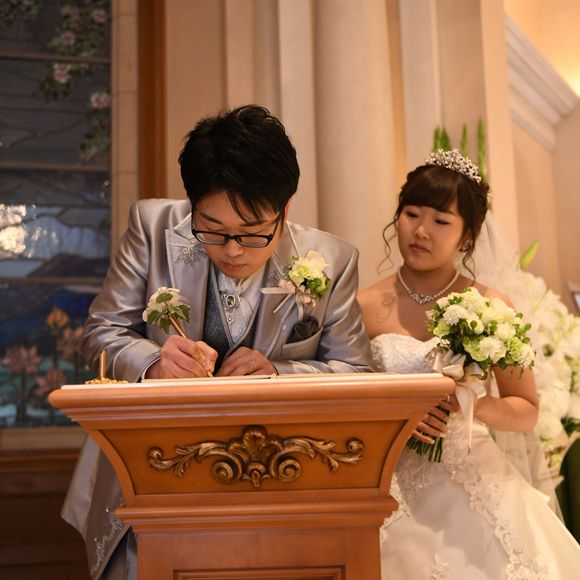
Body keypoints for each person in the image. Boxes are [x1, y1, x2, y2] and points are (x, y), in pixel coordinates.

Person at [63, 105, 373, 579]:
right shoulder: (151, 227)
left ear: (286, 208)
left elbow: (357, 371)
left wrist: (278, 372)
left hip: (276, 489)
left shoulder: (332, 259)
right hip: (151, 477)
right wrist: (153, 362)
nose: (231, 250)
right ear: (192, 205)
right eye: (212, 229)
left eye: (252, 233)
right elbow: (101, 332)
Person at [358, 149, 580, 579]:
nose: (421, 230)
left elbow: (526, 410)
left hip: (473, 477)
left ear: (467, 237)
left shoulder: (491, 307)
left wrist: (472, 403)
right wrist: (393, 414)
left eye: (441, 221)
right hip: (389, 483)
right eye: (411, 214)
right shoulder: (365, 305)